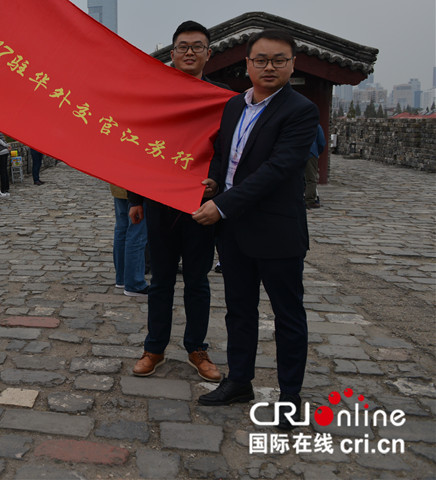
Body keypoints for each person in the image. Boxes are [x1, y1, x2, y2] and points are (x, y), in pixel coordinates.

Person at [192, 29, 318, 428]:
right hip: (235, 233)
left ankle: (290, 397)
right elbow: (225, 157)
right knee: (239, 311)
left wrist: (222, 205)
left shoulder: (300, 110)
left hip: (276, 232)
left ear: (292, 64)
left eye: (278, 59)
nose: (269, 66)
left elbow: (277, 171)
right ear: (246, 64)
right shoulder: (233, 107)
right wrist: (214, 183)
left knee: (288, 316)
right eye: (261, 59)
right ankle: (239, 381)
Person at [129, 21, 231, 382]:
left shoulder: (223, 99)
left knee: (198, 280)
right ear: (172, 54)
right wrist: (135, 198)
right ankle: (154, 347)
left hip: (202, 205)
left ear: (209, 54)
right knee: (160, 281)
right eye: (183, 46)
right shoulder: (156, 94)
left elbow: (227, 149)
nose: (190, 52)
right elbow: (138, 146)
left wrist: (216, 182)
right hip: (159, 201)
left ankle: (196, 348)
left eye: (197, 46)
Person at [110, 183, 148, 296]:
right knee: (137, 233)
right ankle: (134, 283)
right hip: (136, 188)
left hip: (118, 183)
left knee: (121, 230)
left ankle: (122, 278)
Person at [305, 124, 326, 208]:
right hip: (310, 152)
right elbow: (321, 142)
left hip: (297, 152)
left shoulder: (296, 122)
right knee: (311, 178)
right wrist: (317, 152)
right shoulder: (315, 125)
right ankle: (309, 200)